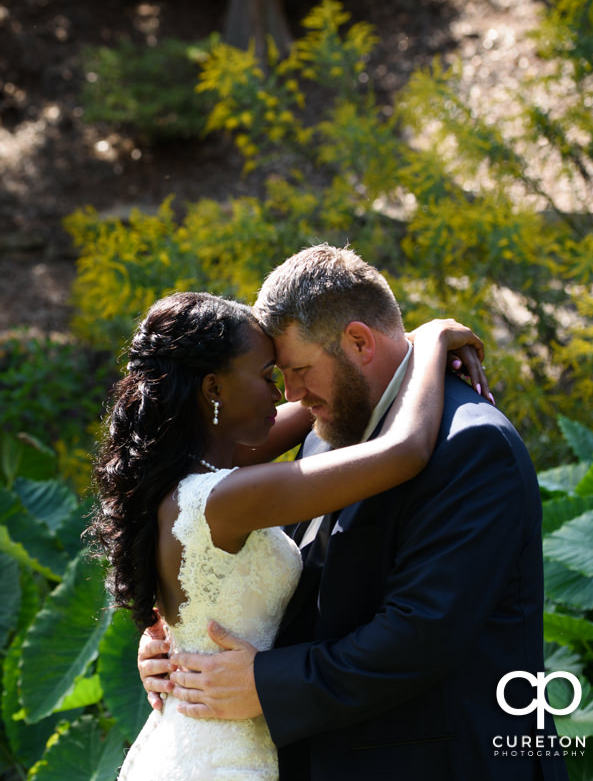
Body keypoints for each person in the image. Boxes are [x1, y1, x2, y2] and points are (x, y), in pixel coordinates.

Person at [137, 245, 568, 781]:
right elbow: (291, 585)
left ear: (360, 341)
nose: (288, 396)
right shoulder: (330, 429)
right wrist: (184, 642)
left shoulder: (474, 445)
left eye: (297, 370)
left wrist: (265, 683)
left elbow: (420, 634)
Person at [88, 286, 488, 781]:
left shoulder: (187, 474)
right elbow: (404, 452)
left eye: (288, 373)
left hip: (204, 741)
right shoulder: (225, 498)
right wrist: (429, 341)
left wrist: (385, 348)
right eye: (266, 375)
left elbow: (328, 399)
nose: (284, 391)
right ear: (214, 390)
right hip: (225, 759)